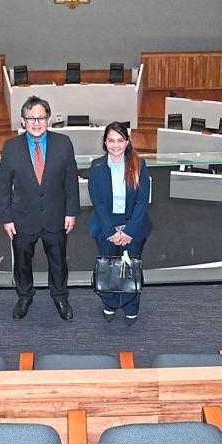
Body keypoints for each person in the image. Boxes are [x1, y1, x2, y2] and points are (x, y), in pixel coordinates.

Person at [0, 95, 79, 321]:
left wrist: (71, 212)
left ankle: (60, 296)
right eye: (30, 118)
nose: (36, 122)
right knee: (22, 262)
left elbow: (71, 181)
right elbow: (3, 186)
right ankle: (24, 297)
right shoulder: (11, 147)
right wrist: (6, 218)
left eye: (41, 117)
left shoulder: (64, 143)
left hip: (56, 216)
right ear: (23, 121)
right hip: (22, 218)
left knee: (59, 261)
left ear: (49, 120)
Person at [87, 122, 152, 324]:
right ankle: (110, 304)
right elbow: (97, 202)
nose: (115, 145)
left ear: (127, 142)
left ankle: (131, 306)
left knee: (131, 267)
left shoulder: (139, 165)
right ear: (105, 142)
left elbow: (142, 201)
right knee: (109, 267)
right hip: (105, 225)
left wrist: (130, 231)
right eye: (111, 140)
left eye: (120, 140)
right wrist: (110, 232)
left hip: (134, 224)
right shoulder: (97, 167)